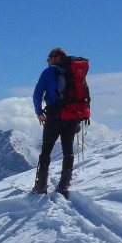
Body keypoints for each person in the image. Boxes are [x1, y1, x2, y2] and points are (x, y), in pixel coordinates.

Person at [31, 47, 81, 198]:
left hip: (53, 117)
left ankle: (41, 186)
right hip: (72, 117)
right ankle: (64, 185)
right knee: (68, 151)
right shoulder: (74, 72)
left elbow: (38, 93)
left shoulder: (49, 72)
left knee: (46, 151)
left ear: (57, 58)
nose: (47, 60)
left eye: (50, 57)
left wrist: (39, 112)